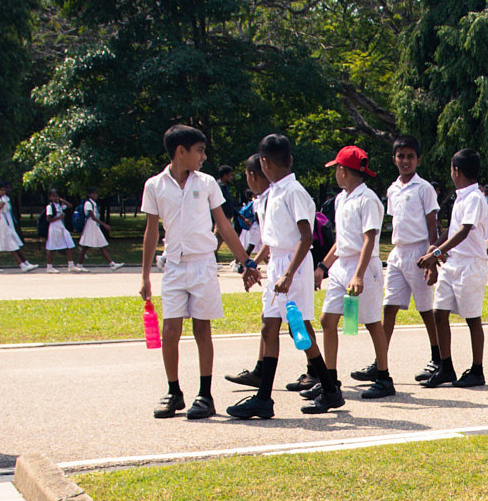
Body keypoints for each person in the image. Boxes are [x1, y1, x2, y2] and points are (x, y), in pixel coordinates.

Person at [140, 125, 251, 420]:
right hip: (174, 265)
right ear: (181, 151)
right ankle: (174, 392)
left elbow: (224, 225)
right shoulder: (155, 185)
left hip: (203, 263)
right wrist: (145, 276)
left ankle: (205, 395)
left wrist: (246, 261)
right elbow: (152, 231)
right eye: (199, 150)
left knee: (202, 329)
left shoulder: (207, 183)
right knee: (170, 330)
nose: (203, 156)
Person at [227, 134, 315, 420]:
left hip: (292, 265)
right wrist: (253, 263)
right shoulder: (275, 191)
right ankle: (264, 397)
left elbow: (306, 236)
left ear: (264, 164)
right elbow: (271, 239)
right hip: (279, 263)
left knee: (295, 328)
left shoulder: (292, 191)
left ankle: (326, 383)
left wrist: (289, 273)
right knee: (270, 328)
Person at [303, 145, 388, 413]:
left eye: (336, 169)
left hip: (364, 266)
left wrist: (359, 275)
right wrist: (323, 266)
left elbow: (369, 238)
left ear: (343, 170)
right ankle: (331, 379)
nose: (335, 175)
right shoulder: (342, 199)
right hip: (342, 265)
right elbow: (342, 241)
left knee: (373, 322)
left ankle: (384, 377)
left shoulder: (368, 199)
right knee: (328, 320)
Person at [364, 135, 444, 387]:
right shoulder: (392, 189)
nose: (405, 161)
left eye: (410, 156)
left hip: (420, 252)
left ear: (418, 159)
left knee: (425, 310)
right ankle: (380, 361)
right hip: (398, 253)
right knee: (389, 307)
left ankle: (438, 358)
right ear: (394, 159)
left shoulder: (424, 189)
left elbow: (433, 224)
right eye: (401, 156)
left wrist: (432, 255)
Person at [416, 148, 488, 388]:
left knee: (472, 319)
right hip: (453, 263)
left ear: (456, 170)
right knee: (440, 313)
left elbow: (464, 230)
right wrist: (433, 249)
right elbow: (451, 231)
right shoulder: (460, 196)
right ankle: (446, 366)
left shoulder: (475, 197)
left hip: (470, 264)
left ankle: (477, 369)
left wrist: (436, 253)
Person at [0, 185, 32, 272]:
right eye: (1, 190)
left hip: (3, 223)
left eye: (4, 190)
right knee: (7, 243)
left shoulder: (3, 199)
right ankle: (22, 265)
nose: (3, 192)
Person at [76, 189, 113, 268]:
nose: (95, 195)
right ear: (89, 194)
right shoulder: (88, 203)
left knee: (100, 245)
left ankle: (111, 263)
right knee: (86, 246)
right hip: (90, 226)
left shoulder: (93, 203)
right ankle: (79, 264)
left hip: (94, 225)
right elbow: (93, 217)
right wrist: (104, 225)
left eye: (96, 194)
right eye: (93, 194)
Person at [42, 189, 73, 270]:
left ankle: (71, 264)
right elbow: (48, 219)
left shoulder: (59, 205)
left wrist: (62, 200)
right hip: (54, 227)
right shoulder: (50, 207)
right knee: (51, 246)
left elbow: (69, 206)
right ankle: (49, 266)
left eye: (57, 196)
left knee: (68, 243)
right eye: (54, 196)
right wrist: (59, 217)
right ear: (50, 197)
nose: (56, 198)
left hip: (61, 227)